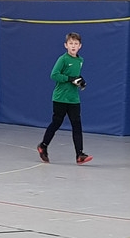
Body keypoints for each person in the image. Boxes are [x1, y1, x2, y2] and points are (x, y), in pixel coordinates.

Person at [36, 32, 92, 165]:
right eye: (71, 43)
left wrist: (80, 81)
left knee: (77, 125)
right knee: (56, 123)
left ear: (80, 46)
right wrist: (69, 79)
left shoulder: (80, 60)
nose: (73, 46)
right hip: (60, 98)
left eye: (76, 44)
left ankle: (79, 154)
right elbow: (54, 75)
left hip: (74, 99)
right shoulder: (63, 59)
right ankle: (43, 145)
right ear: (66, 45)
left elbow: (75, 76)